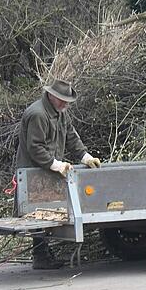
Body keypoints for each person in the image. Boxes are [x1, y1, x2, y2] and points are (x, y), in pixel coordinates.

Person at [16, 78, 102, 269]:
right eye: (62, 100)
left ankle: (43, 255)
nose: (65, 104)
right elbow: (35, 148)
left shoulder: (60, 112)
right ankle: (40, 256)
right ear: (51, 95)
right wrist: (56, 165)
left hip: (47, 170)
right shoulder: (38, 114)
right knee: (37, 215)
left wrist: (86, 157)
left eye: (67, 101)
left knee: (48, 212)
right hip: (33, 172)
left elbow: (71, 136)